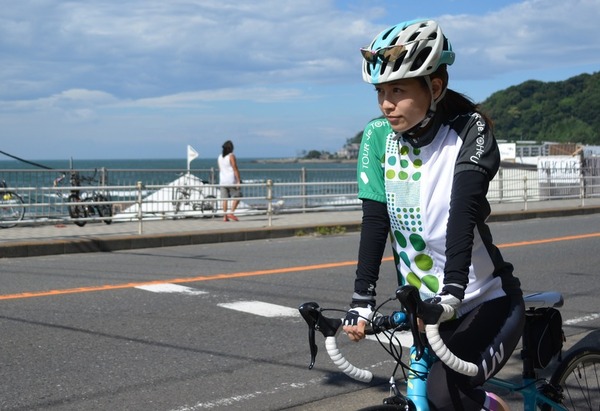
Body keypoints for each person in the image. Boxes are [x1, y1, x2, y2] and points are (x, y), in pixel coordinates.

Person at [342, 19, 525, 411]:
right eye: (380, 92)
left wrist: (452, 295)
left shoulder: (468, 130)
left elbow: (462, 214)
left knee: (445, 397)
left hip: (483, 301)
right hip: (426, 311)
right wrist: (362, 299)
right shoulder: (377, 138)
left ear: (435, 88)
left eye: (398, 90)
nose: (386, 103)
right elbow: (376, 222)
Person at [218, 140, 242, 222]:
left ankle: (225, 217)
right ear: (231, 148)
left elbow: (220, 169)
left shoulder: (220, 157)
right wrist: (238, 180)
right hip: (231, 180)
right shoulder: (231, 156)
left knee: (224, 199)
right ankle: (231, 213)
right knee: (238, 195)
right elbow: (235, 168)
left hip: (222, 180)